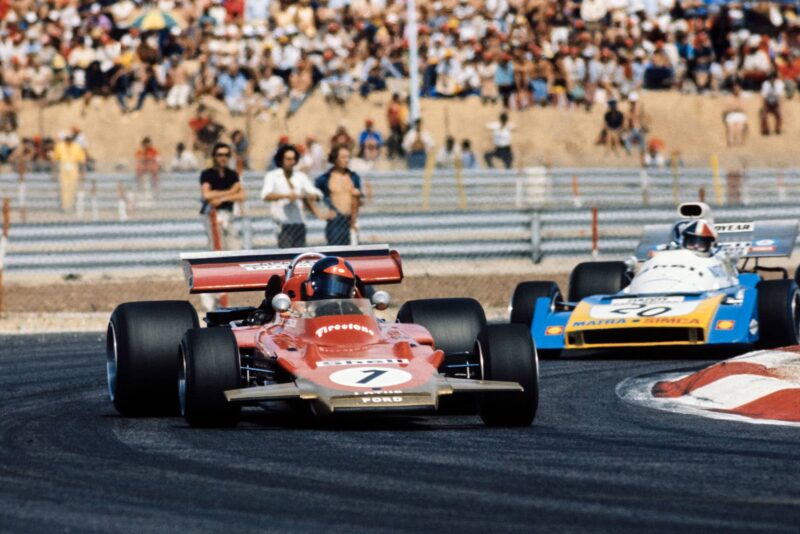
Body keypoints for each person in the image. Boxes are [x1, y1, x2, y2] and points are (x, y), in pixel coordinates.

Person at [261, 144, 322, 248]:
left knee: (300, 256)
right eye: (288, 159)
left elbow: (316, 193)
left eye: (293, 159)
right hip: (283, 224)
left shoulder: (300, 176)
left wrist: (312, 196)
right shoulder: (272, 176)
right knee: (285, 256)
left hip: (299, 223)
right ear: (281, 160)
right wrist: (285, 196)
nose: (291, 162)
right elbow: (265, 195)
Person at [199, 142, 246, 251]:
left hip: (228, 213)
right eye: (220, 155)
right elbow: (206, 194)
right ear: (214, 156)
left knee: (235, 247)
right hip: (213, 214)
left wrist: (221, 198)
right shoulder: (207, 174)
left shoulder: (232, 174)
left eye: (226, 155)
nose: (223, 158)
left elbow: (241, 195)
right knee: (218, 248)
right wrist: (231, 191)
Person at [315, 145, 363, 246]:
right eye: (343, 157)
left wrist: (357, 200)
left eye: (348, 157)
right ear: (335, 159)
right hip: (335, 221)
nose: (347, 160)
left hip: (350, 219)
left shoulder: (354, 177)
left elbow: (360, 201)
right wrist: (322, 212)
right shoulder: (324, 178)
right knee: (335, 253)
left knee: (352, 254)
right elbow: (314, 197)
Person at [51, 131, 86, 211]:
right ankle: (65, 206)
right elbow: (55, 159)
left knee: (73, 187)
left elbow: (82, 161)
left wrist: (82, 173)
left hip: (73, 167)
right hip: (63, 167)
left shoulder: (77, 146)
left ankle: (71, 205)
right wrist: (54, 171)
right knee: (64, 187)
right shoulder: (60, 146)